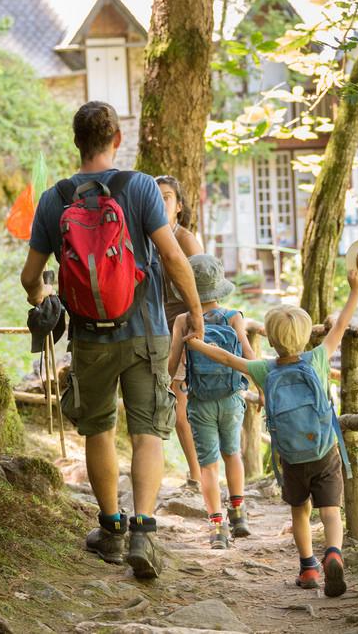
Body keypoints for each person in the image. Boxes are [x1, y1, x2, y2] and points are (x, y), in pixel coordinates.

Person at [20, 101, 204, 580]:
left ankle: (111, 531)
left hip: (88, 337)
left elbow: (30, 277)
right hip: (146, 331)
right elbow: (172, 257)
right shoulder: (141, 187)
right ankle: (144, 530)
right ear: (116, 140)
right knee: (147, 431)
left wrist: (45, 299)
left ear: (76, 141)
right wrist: (197, 311)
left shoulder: (54, 199)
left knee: (98, 429)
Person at [185, 269, 358, 598]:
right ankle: (334, 554)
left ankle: (308, 568)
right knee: (330, 511)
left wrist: (196, 342)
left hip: (292, 457)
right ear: (306, 334)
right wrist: (354, 289)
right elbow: (340, 325)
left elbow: (227, 357)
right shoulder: (318, 358)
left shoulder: (264, 369)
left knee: (300, 512)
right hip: (324, 451)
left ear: (271, 339)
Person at [167, 254, 256, 549]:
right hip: (231, 398)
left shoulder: (183, 320)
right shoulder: (234, 317)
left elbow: (171, 365)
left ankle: (217, 528)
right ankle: (239, 514)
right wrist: (263, 386)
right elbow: (247, 355)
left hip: (200, 400)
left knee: (208, 465)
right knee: (233, 454)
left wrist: (175, 380)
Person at [156, 175, 204, 491]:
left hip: (184, 329)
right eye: (156, 197)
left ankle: (198, 475)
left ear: (179, 207)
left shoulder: (186, 241)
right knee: (163, 403)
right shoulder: (148, 238)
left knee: (179, 405)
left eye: (168, 197)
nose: (161, 202)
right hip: (157, 329)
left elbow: (203, 291)